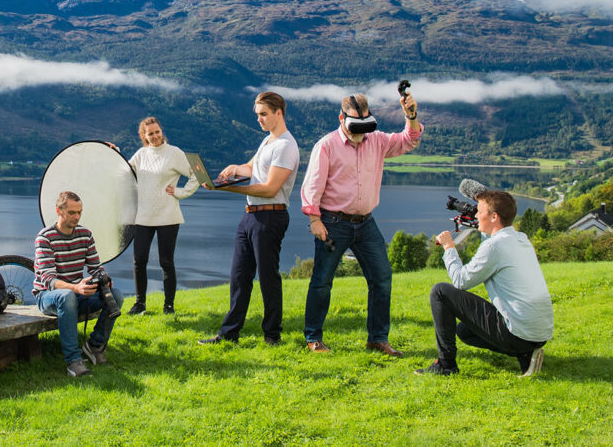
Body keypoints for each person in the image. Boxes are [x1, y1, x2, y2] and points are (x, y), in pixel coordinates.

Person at [301, 90, 422, 356]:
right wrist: (314, 220)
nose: (361, 130)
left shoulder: (376, 140)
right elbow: (312, 185)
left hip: (366, 223)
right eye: (356, 123)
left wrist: (410, 116)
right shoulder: (327, 145)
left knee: (381, 278)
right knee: (322, 281)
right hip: (333, 222)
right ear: (341, 118)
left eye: (365, 123)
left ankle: (377, 339)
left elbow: (409, 140)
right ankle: (313, 338)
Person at [198, 92, 300, 346]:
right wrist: (234, 170)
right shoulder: (268, 141)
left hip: (270, 216)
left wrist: (229, 189)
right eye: (257, 115)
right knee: (239, 277)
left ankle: (272, 335)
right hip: (250, 216)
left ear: (279, 112)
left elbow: (269, 188)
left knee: (268, 278)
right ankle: (229, 334)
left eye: (264, 114)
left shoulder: (286, 146)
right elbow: (251, 168)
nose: (259, 119)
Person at [417, 189, 553, 376]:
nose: (476, 215)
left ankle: (445, 365)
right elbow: (494, 239)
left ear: (494, 217)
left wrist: (449, 247)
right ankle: (526, 353)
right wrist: (482, 218)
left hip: (519, 333)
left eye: (479, 212)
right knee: (465, 331)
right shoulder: (520, 239)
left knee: (440, 291)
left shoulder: (494, 246)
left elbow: (460, 281)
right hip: (538, 333)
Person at [33, 191, 124, 377]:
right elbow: (49, 281)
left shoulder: (85, 234)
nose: (77, 217)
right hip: (48, 296)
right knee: (67, 297)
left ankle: (95, 346)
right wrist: (75, 287)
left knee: (116, 295)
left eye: (79, 212)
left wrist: (104, 279)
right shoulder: (45, 238)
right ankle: (73, 361)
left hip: (76, 293)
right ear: (59, 211)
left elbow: (95, 267)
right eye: (72, 213)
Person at [126, 116, 199, 316]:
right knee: (139, 260)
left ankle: (169, 305)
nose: (155, 136)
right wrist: (111, 153)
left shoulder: (174, 153)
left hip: (168, 216)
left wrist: (180, 192)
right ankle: (140, 303)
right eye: (151, 133)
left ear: (161, 131)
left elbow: (196, 175)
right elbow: (124, 171)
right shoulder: (141, 154)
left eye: (157, 131)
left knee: (166, 262)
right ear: (144, 136)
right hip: (143, 217)